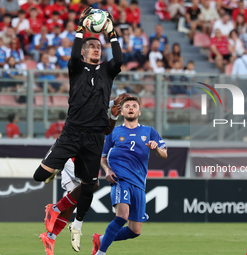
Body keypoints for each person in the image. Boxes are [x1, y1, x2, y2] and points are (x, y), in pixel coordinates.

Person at [32, 7, 128, 252]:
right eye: (92, 47)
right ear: (85, 53)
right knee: (39, 177)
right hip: (72, 133)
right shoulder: (75, 68)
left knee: (89, 187)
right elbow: (74, 53)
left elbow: (119, 59)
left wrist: (112, 33)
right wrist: (79, 29)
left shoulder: (107, 71)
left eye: (99, 47)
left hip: (95, 137)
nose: (97, 49)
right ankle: (54, 196)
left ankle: (77, 225)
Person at [40, 104, 121, 255]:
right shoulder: (84, 114)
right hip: (73, 159)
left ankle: (50, 236)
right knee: (93, 185)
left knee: (73, 202)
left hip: (84, 161)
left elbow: (106, 131)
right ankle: (55, 209)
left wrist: (113, 116)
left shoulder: (100, 126)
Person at [91, 96, 168, 255]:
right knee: (122, 217)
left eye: (134, 106)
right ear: (122, 111)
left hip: (139, 184)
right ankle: (101, 252)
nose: (131, 108)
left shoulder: (149, 132)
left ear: (139, 111)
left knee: (134, 231)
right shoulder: (113, 132)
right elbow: (102, 157)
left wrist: (156, 148)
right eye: (127, 106)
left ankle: (100, 240)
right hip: (120, 180)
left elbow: (164, 154)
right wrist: (107, 170)